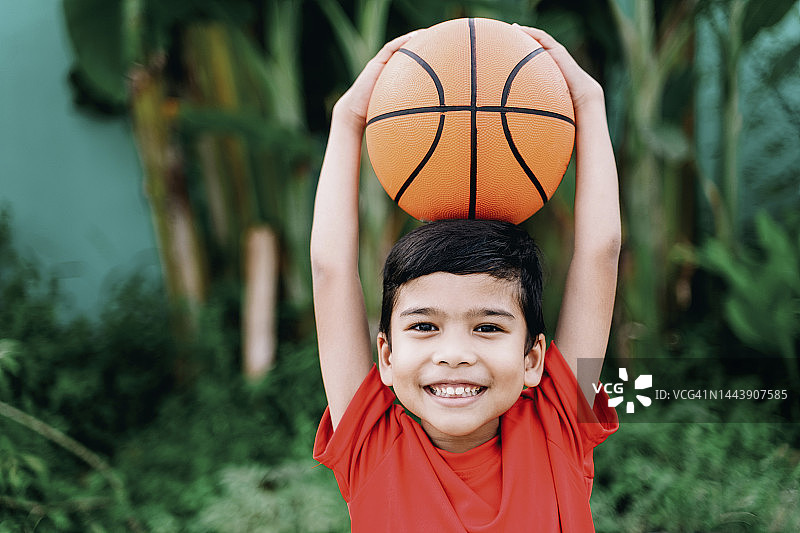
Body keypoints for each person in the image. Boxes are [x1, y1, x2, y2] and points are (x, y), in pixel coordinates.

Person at [310, 24, 621, 532]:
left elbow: (600, 252)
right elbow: (330, 269)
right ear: (386, 356)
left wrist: (588, 102)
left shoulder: (557, 425)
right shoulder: (373, 445)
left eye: (488, 327)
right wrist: (347, 120)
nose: (454, 352)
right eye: (424, 327)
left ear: (533, 359)